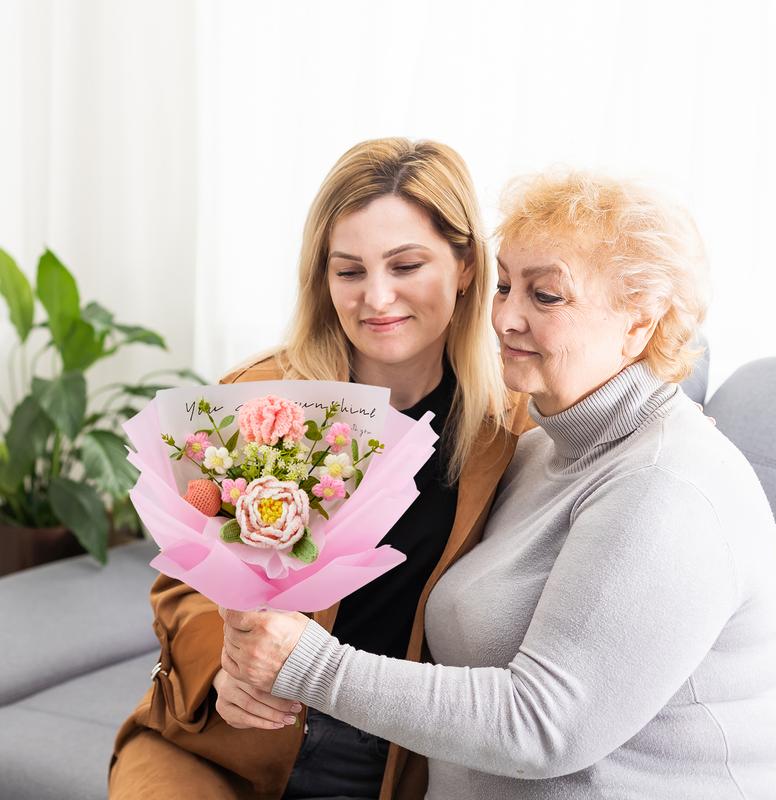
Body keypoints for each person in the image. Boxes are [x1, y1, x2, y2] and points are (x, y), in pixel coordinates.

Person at [220, 170, 776, 799]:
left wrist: (307, 665)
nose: (505, 318)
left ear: (641, 323)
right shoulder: (534, 448)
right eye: (505, 287)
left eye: (546, 296)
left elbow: (543, 725)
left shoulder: (666, 486)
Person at [109, 138, 531, 800]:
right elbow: (182, 582)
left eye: (406, 264)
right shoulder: (263, 399)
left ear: (467, 265)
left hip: (384, 764)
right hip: (219, 743)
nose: (377, 298)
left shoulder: (511, 426)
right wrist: (218, 669)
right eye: (350, 271)